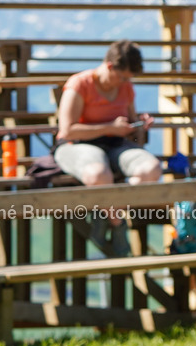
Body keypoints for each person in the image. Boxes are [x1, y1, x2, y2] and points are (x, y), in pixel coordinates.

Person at [54, 40, 161, 255]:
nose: (125, 82)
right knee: (99, 174)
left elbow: (130, 121)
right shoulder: (80, 84)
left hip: (116, 145)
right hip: (78, 145)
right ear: (110, 66)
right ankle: (118, 224)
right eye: (122, 77)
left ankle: (107, 214)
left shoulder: (126, 88)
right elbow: (67, 130)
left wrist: (140, 122)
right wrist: (108, 127)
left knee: (152, 169)